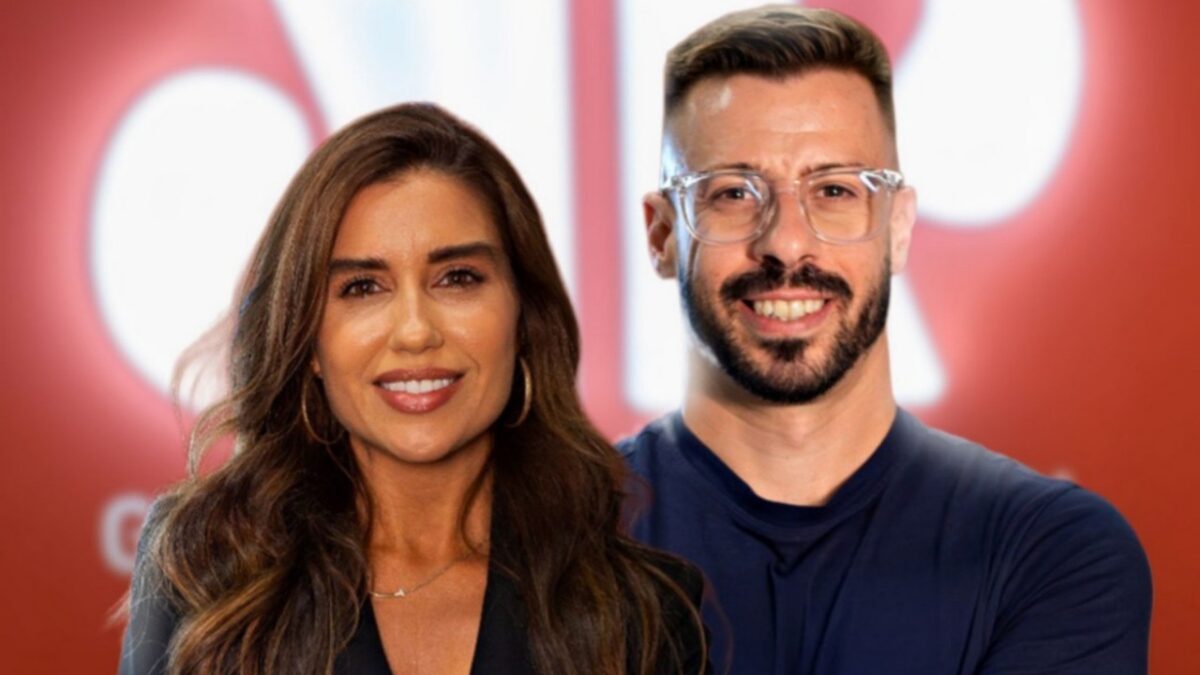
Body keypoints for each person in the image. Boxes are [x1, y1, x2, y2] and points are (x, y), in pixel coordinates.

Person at [620, 6, 1151, 674]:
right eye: (733, 192)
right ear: (662, 234)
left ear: (898, 228)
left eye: (836, 189)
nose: (785, 241)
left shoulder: (1050, 551)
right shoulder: (539, 542)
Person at [119, 102, 707, 675]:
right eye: (362, 288)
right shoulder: (204, 565)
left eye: (457, 279)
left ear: (523, 319)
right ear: (309, 340)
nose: (415, 332)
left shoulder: (641, 615)